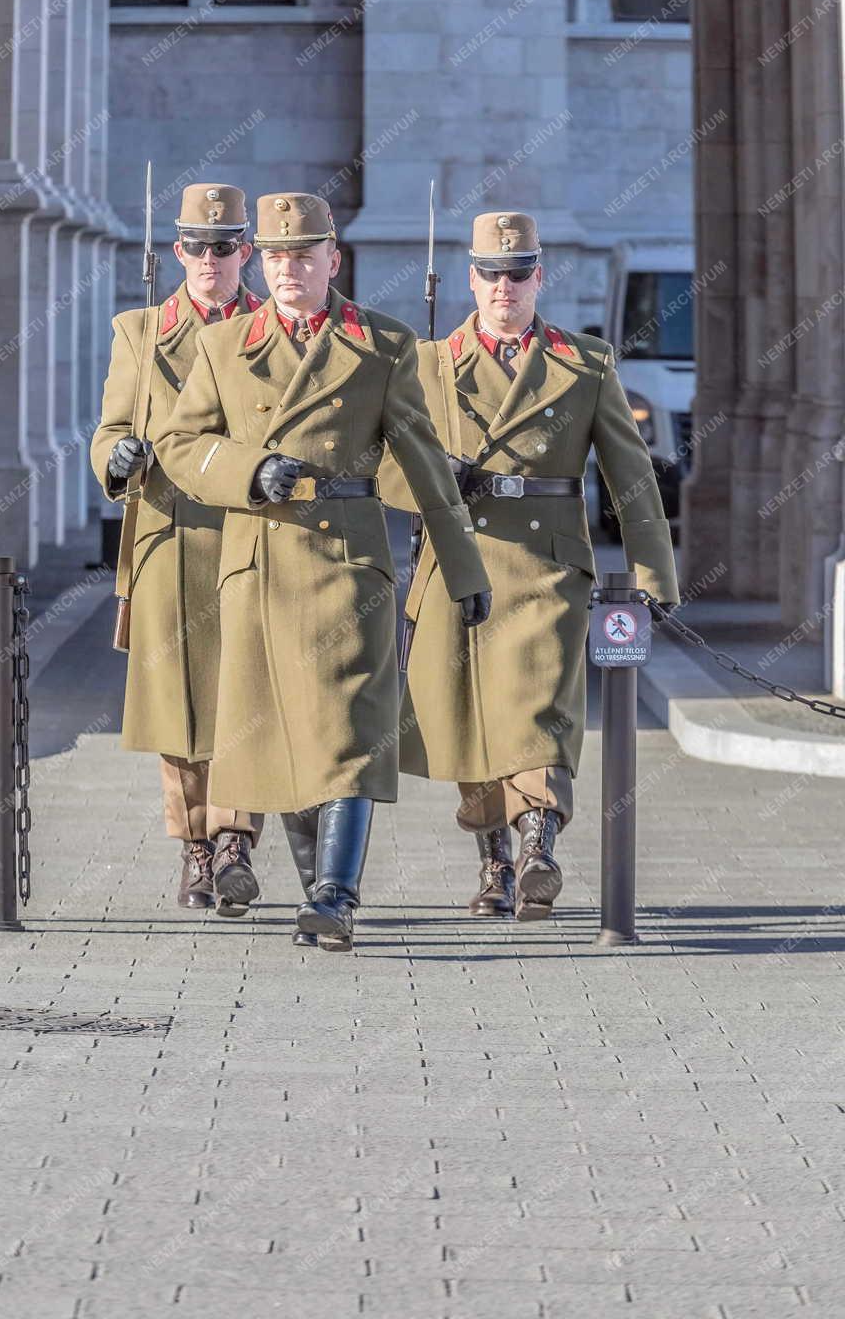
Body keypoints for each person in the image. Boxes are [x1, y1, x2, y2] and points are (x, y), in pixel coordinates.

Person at [154, 192, 492, 951]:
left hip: (347, 561)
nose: (288, 270)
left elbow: (423, 466)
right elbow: (179, 446)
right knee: (270, 739)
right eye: (275, 257)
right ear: (260, 262)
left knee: (349, 737)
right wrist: (250, 468)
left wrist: (463, 569)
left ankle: (336, 898)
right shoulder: (223, 345)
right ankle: (295, 882)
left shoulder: (383, 344)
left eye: (303, 256)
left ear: (333, 259)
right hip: (259, 564)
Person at [380, 212, 680, 921]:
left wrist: (653, 576)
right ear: (471, 278)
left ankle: (538, 840)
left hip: (547, 567)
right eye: (490, 273)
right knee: (467, 724)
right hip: (459, 568)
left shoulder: (586, 363)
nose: (504, 286)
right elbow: (383, 466)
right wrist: (435, 477)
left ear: (539, 277)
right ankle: (495, 865)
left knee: (539, 707)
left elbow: (630, 479)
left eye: (518, 273)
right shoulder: (428, 363)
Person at [89, 183, 265, 915]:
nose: (209, 259)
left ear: (246, 251)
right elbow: (106, 430)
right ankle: (195, 846)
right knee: (178, 706)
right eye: (196, 245)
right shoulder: (139, 330)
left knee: (246, 695)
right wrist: (118, 455)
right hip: (166, 532)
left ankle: (234, 840)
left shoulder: (273, 328)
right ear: (176, 251)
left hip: (251, 531)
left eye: (224, 246)